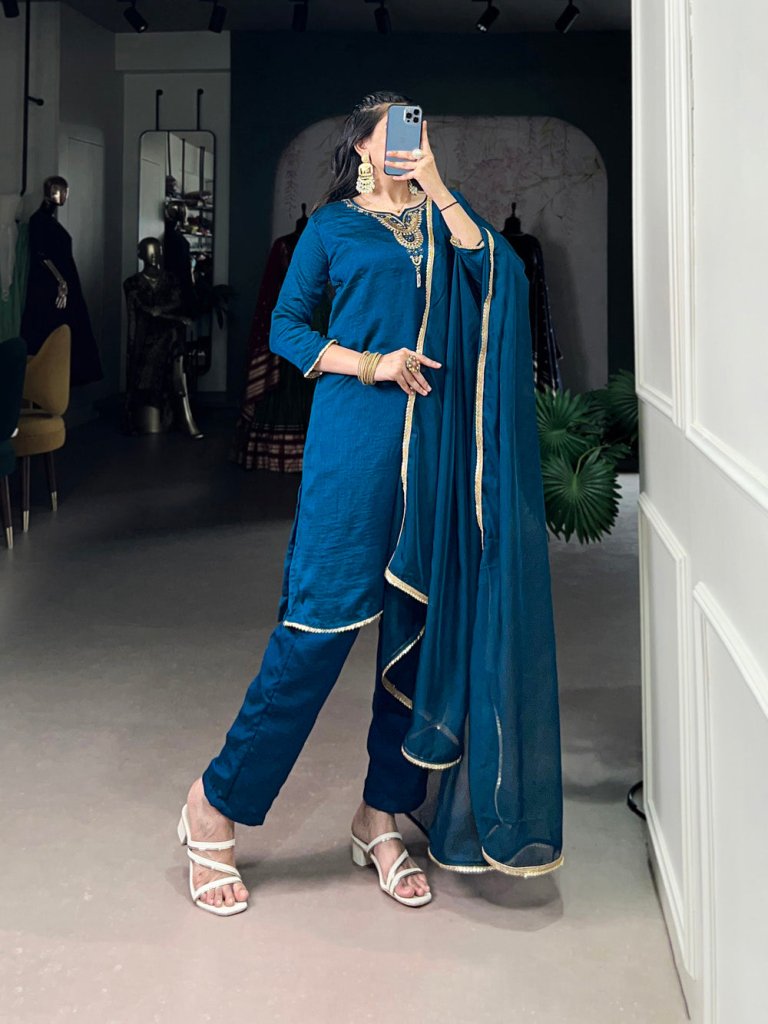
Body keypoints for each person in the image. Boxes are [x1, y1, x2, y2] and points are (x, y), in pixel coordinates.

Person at [177, 91, 563, 916]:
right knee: (314, 633)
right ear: (359, 145)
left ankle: (380, 814)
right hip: (355, 446)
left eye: (419, 130)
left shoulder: (445, 219)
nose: (408, 143)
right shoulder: (331, 229)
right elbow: (286, 328)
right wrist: (369, 363)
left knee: (417, 635)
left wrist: (439, 185)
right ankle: (214, 804)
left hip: (437, 453)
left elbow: (496, 275)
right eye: (392, 131)